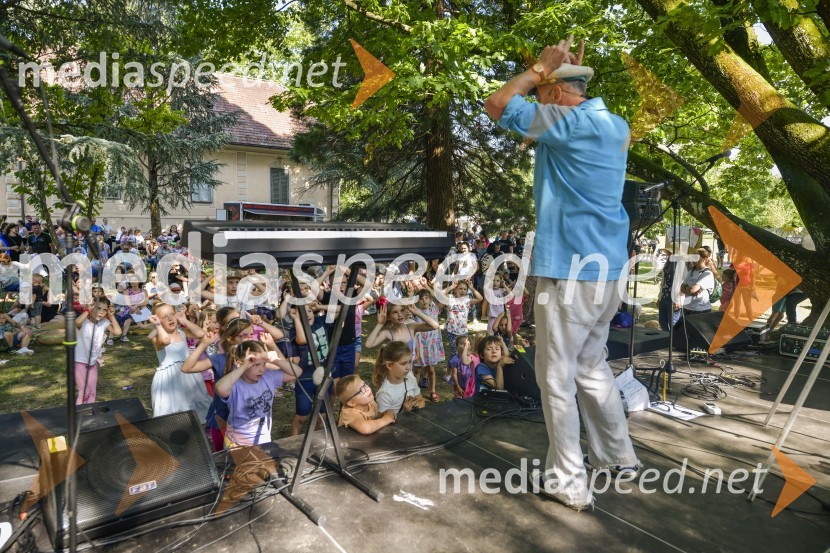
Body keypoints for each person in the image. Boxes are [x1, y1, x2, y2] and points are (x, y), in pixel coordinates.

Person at [485, 36, 640, 510]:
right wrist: (563, 77)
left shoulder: (566, 122)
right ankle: (618, 457)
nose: (536, 101)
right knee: (592, 366)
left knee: (556, 379)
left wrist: (539, 68)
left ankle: (568, 482)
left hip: (570, 272)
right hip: (608, 271)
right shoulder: (616, 125)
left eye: (541, 95)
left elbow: (497, 104)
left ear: (554, 94)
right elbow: (564, 119)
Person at [215, 340, 298, 448]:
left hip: (263, 440)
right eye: (256, 365)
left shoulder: (268, 377)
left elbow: (296, 373)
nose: (262, 369)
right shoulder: (235, 385)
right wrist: (244, 366)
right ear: (241, 363)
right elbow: (220, 389)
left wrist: (276, 361)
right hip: (237, 444)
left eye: (264, 364)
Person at [147, 302, 211, 419]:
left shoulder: (182, 332)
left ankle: (198, 425)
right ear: (157, 320)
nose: (170, 318)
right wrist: (158, 326)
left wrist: (184, 320)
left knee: (194, 402)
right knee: (173, 408)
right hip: (169, 378)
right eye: (164, 317)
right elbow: (165, 341)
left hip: (188, 373)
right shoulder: (156, 338)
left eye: (172, 314)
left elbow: (201, 333)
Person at [74, 298, 121, 405]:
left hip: (93, 362)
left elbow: (117, 332)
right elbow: (77, 322)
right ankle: (78, 411)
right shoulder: (84, 322)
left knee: (92, 392)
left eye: (104, 310)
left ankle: (90, 411)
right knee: (84, 392)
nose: (101, 312)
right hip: (79, 361)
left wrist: (112, 316)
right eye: (98, 308)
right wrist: (88, 310)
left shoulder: (104, 323)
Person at [373, 341, 425, 413]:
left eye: (409, 362)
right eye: (403, 363)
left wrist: (415, 405)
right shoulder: (385, 394)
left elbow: (421, 401)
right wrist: (405, 411)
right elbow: (383, 419)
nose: (408, 367)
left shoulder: (410, 376)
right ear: (389, 365)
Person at [412, 289, 445, 402]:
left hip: (431, 345)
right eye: (421, 299)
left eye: (426, 298)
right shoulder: (415, 312)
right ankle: (415, 392)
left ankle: (433, 391)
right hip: (420, 345)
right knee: (416, 370)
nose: (424, 301)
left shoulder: (434, 309)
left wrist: (427, 287)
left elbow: (443, 298)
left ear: (430, 299)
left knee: (431, 369)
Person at [680, 248, 716, 315]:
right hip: (687, 308)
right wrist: (689, 290)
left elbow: (692, 290)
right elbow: (682, 288)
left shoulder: (707, 273)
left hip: (700, 310)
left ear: (704, 259)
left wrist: (687, 289)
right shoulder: (692, 271)